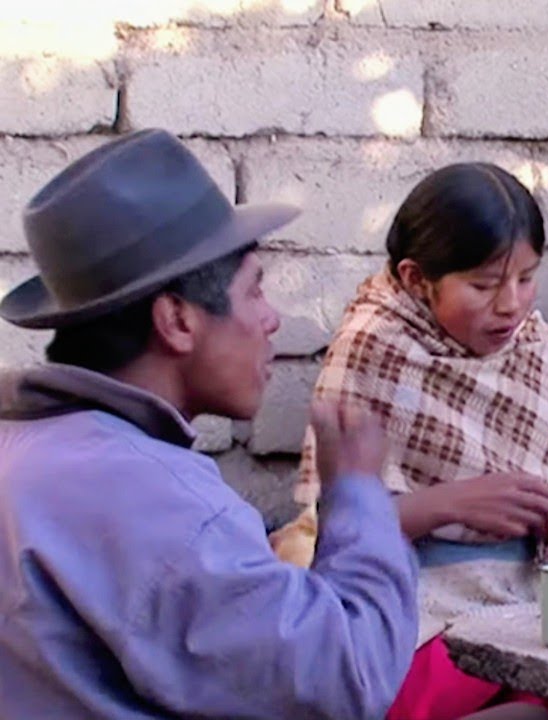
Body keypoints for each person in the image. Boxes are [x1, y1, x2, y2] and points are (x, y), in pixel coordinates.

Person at [0, 129, 418, 718]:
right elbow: (347, 679)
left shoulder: (27, 445)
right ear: (176, 320)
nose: (272, 320)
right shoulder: (151, 498)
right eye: (256, 290)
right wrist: (356, 492)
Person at [274, 163, 548, 720]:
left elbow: (543, 492)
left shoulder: (538, 349)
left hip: (526, 604)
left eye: (526, 278)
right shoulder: (375, 345)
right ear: (417, 278)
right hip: (414, 610)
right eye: (484, 285)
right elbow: (329, 528)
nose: (511, 304)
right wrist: (451, 504)